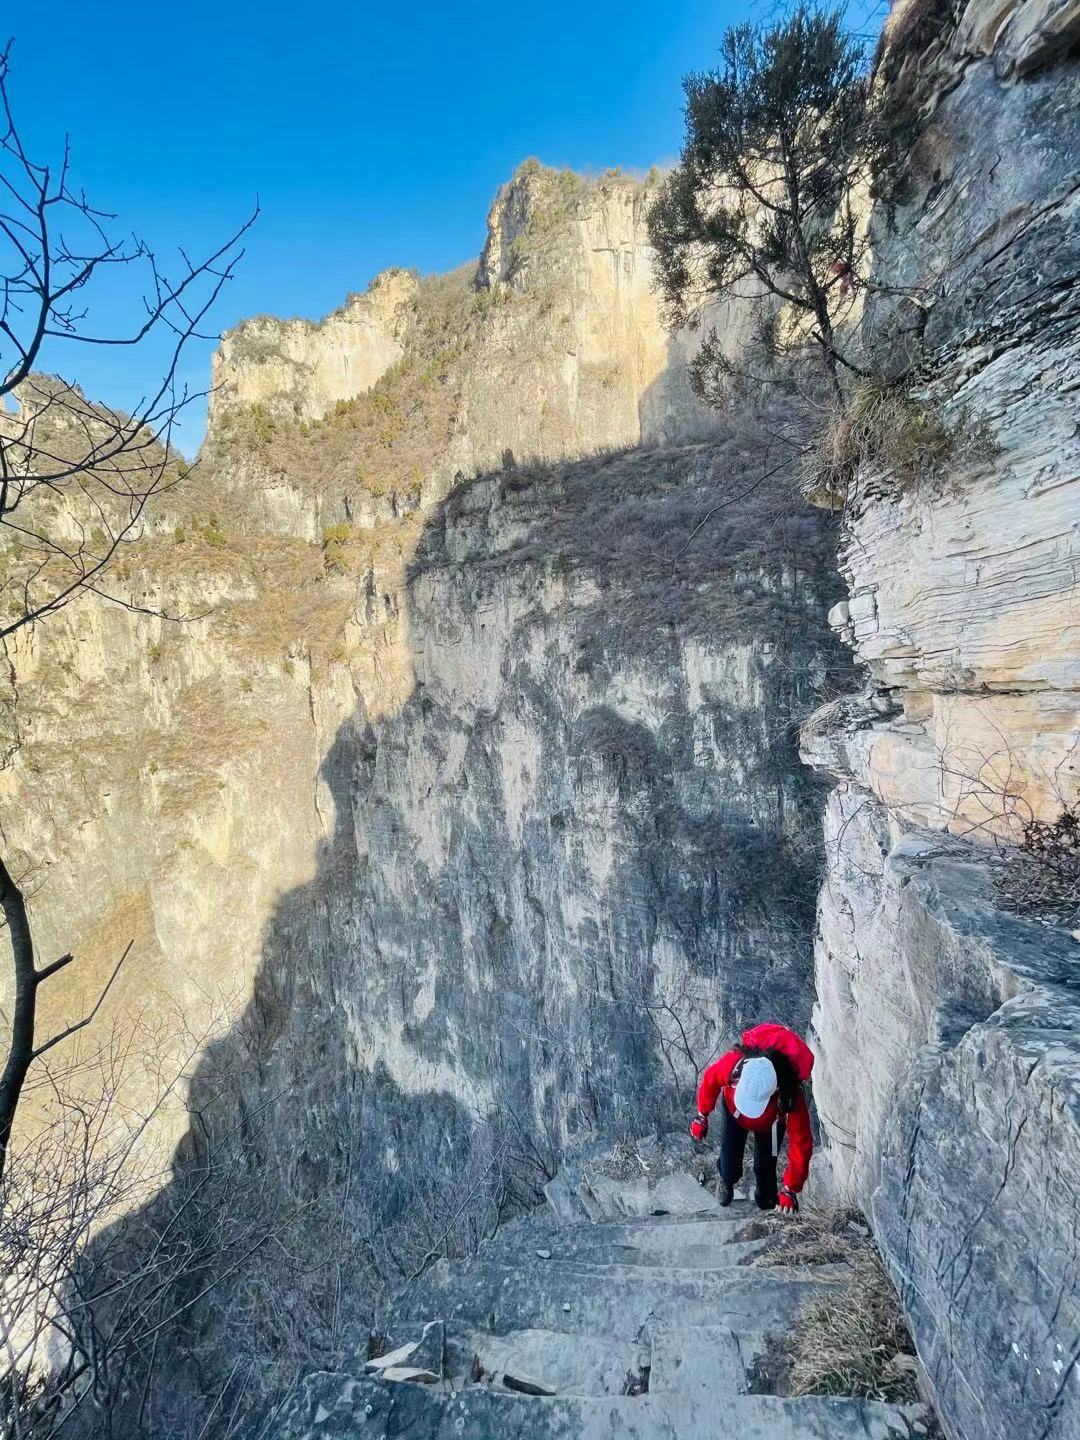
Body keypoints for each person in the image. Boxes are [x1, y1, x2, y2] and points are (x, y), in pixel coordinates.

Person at [689, 1022, 814, 1216]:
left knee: (765, 1171)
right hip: (734, 1113)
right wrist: (702, 1115)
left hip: (771, 1123)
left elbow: (802, 1141)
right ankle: (727, 1180)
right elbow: (710, 1080)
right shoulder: (734, 1064)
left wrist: (791, 1188)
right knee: (729, 1162)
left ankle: (767, 1206)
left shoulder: (789, 1095)